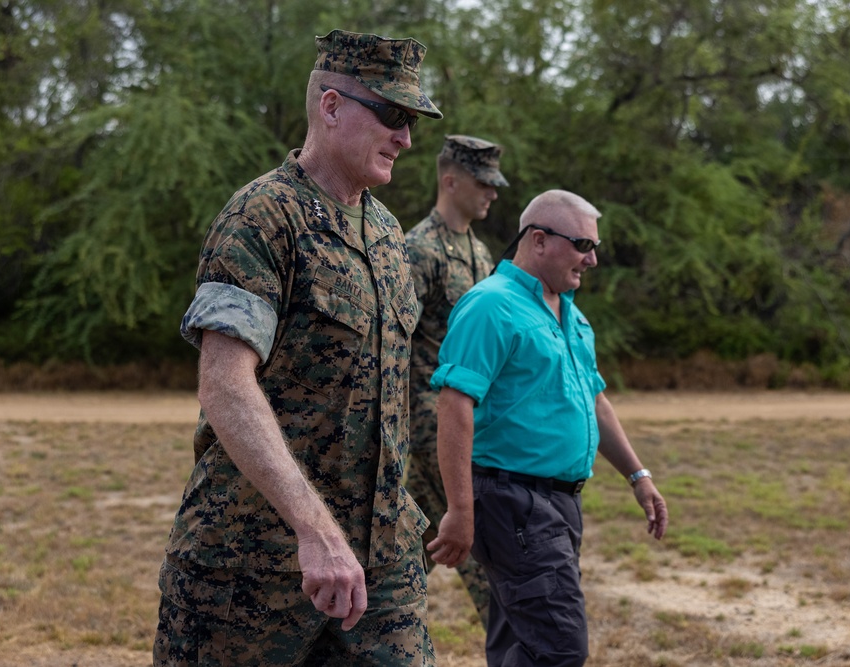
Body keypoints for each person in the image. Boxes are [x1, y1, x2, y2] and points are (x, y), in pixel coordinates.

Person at [152, 29, 442, 667]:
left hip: (382, 573)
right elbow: (226, 383)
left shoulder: (391, 236)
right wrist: (315, 530)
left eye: (412, 121)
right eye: (393, 116)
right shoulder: (263, 217)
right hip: (252, 572)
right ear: (331, 107)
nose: (406, 138)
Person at [426, 189, 669, 666]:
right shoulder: (491, 306)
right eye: (582, 244)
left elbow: (595, 401)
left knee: (518, 641)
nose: (592, 258)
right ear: (539, 240)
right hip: (515, 503)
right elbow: (454, 405)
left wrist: (639, 477)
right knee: (558, 648)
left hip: (560, 502)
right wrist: (459, 508)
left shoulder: (570, 312)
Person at [404, 134, 509, 628]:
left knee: (412, 547)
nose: (492, 193)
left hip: (470, 420)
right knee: (484, 546)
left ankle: (361, 624)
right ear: (451, 180)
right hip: (431, 424)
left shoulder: (480, 253)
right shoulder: (418, 251)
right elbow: (391, 343)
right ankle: (516, 645)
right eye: (483, 183)